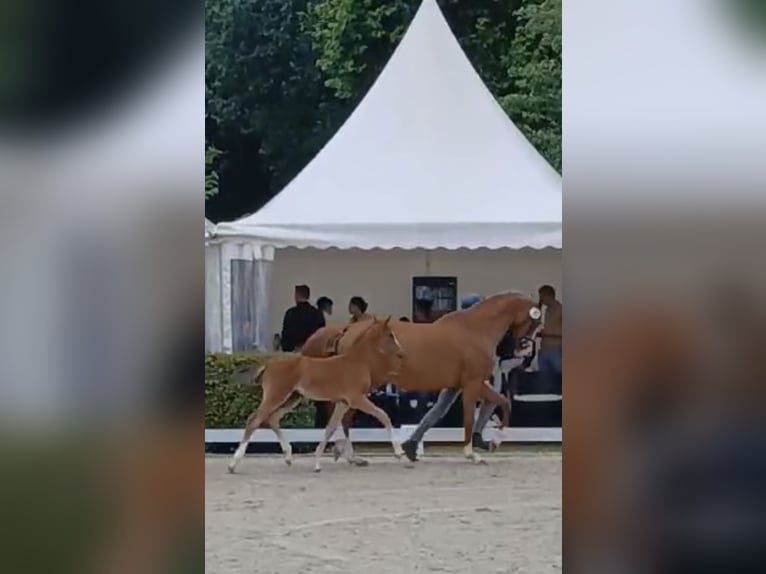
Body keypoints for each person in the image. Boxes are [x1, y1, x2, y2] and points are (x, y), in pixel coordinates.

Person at [401, 293, 498, 460]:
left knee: (440, 408)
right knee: (492, 400)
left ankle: (413, 441)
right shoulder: (467, 331)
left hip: (456, 375)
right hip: (463, 376)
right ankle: (476, 434)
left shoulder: (461, 327)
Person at [280, 285, 326, 352]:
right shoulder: (317, 313)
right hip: (312, 352)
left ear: (296, 296)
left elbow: (286, 336)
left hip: (294, 352)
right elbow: (321, 334)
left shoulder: (290, 313)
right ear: (308, 296)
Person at [536, 285, 562, 387]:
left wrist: (549, 334)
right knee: (546, 382)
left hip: (556, 350)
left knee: (560, 379)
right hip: (544, 351)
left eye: (542, 297)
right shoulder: (546, 310)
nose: (541, 300)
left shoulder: (560, 309)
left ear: (549, 296)